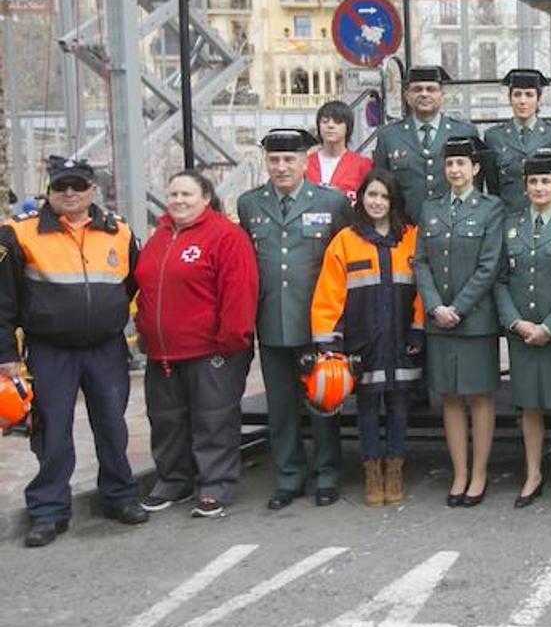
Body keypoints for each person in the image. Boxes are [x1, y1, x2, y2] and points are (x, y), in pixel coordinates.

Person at [0, 156, 146, 548]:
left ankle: (120, 497)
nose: (69, 193)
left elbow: (132, 284)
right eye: (61, 186)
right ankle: (48, 511)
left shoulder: (119, 232)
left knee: (113, 426)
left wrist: (106, 317)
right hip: (50, 351)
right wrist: (5, 357)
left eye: (78, 186)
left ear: (92, 190)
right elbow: (2, 302)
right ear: (49, 189)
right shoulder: (18, 234)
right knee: (53, 431)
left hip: (106, 349)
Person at [237, 128, 351, 510]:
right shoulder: (249, 204)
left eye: (289, 160)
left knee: (323, 401)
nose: (282, 167)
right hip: (271, 319)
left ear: (306, 161)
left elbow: (342, 261)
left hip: (317, 321)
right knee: (281, 406)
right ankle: (288, 476)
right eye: (274, 160)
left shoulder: (332, 202)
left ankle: (327, 474)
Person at [135, 171, 259, 519]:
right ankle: (173, 481)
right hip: (163, 353)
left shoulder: (226, 236)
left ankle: (215, 485)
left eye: (187, 194)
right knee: (166, 420)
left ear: (206, 197)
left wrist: (229, 343)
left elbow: (239, 292)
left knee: (213, 420)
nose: (178, 200)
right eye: (173, 194)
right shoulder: (159, 237)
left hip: (211, 352)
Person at [311, 168, 425, 507]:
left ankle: (395, 469)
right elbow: (328, 296)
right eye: (371, 195)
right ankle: (372, 472)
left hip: (402, 339)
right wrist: (329, 343)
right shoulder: (345, 240)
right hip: (362, 343)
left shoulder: (411, 237)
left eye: (384, 196)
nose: (377, 202)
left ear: (394, 201)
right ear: (361, 198)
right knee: (367, 408)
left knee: (399, 406)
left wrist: (419, 328)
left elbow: (423, 288)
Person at [415, 137, 505, 506]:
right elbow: (420, 261)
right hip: (440, 319)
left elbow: (490, 265)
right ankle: (460, 473)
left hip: (475, 320)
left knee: (480, 396)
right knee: (449, 397)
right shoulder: (430, 208)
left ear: (475, 168)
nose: (455, 170)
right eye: (450, 163)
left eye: (462, 164)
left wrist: (459, 307)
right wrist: (436, 306)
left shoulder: (491, 208)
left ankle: (480, 473)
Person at [496, 154, 551, 511]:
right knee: (529, 406)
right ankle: (532, 473)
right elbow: (500, 280)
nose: (539, 188)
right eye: (533, 182)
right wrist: (516, 323)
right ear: (525, 186)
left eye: (546, 182)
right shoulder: (510, 225)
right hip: (522, 331)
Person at [372, 65, 483, 218]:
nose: (424, 94)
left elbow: (475, 188)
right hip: (405, 229)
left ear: (442, 95)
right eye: (417, 89)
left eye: (431, 89)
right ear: (407, 96)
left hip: (454, 228)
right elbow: (380, 187)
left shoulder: (465, 132)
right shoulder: (389, 136)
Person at [484, 68, 551, 213]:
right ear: (510, 99)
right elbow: (493, 187)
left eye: (529, 95)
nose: (522, 101)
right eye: (517, 95)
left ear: (539, 100)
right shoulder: (494, 137)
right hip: (509, 220)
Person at [306, 100, 372, 201]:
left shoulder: (363, 165)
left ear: (348, 127)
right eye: (325, 121)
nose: (330, 126)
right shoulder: (305, 164)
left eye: (338, 122)